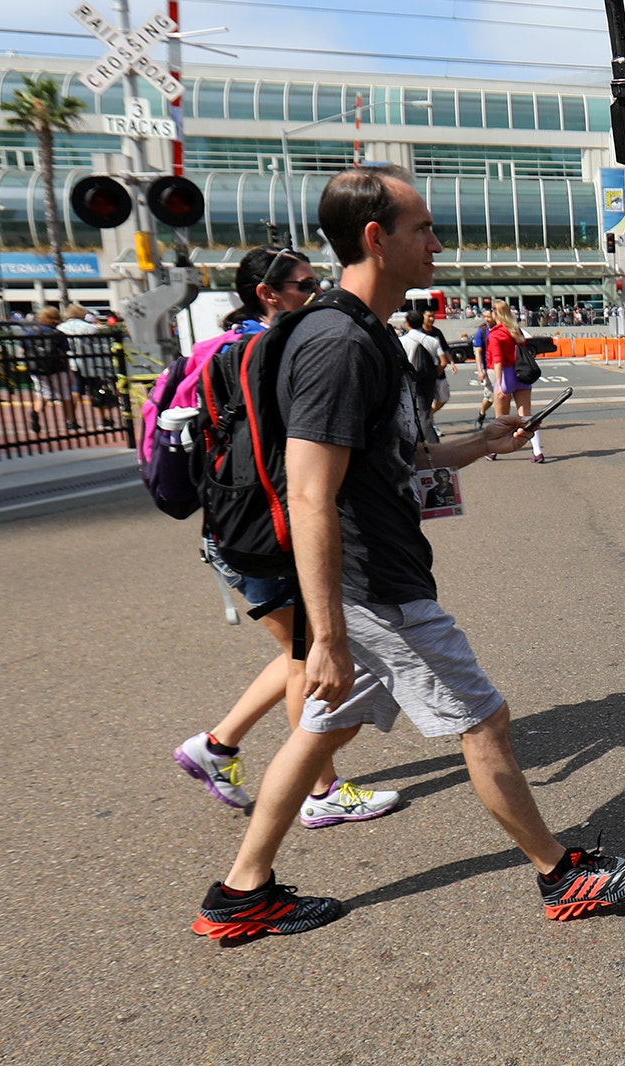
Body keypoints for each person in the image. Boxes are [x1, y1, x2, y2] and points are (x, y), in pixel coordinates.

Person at [190, 165, 625, 942]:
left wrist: (478, 443)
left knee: (318, 731)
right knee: (485, 719)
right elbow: (310, 493)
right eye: (424, 229)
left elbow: (395, 457)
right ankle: (563, 876)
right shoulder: (339, 343)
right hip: (373, 587)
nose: (438, 244)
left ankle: (241, 892)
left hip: (365, 582)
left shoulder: (368, 336)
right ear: (376, 238)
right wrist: (330, 633)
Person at [172, 245, 400, 827]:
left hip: (234, 530)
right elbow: (298, 471)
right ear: (268, 295)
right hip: (266, 537)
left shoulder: (236, 348)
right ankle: (321, 791)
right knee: (309, 655)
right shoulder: (268, 352)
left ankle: (218, 745)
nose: (316, 290)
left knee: (298, 648)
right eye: (302, 285)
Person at [482, 300, 542, 462]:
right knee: (527, 417)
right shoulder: (516, 330)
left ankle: (494, 451)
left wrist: (499, 384)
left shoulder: (495, 333)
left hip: (506, 376)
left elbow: (497, 360)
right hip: (521, 374)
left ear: (495, 313)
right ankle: (537, 451)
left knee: (501, 419)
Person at [22, 306, 73, 434]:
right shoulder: (58, 334)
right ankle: (70, 421)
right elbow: (64, 354)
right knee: (65, 394)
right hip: (57, 368)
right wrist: (70, 372)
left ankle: (36, 412)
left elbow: (22, 350)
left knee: (43, 393)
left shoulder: (30, 332)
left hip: (37, 368)